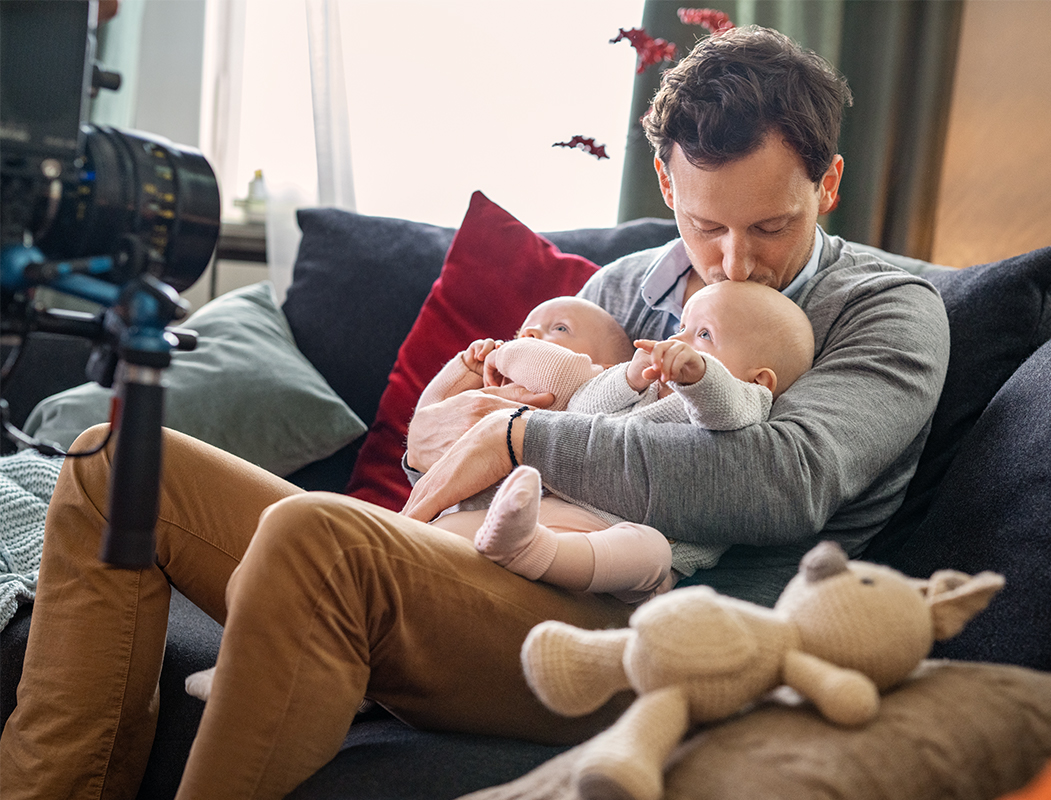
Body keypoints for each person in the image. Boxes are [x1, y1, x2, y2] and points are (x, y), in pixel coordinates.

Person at [0, 25, 949, 800]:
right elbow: (473, 450)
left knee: (320, 534)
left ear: (825, 186)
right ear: (666, 185)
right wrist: (456, 435)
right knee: (110, 459)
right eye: (706, 226)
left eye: (772, 227)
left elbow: (780, 483)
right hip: (493, 564)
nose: (734, 264)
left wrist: (519, 435)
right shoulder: (620, 288)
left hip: (655, 636)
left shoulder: (888, 311)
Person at [423, 283, 815, 601]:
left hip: (625, 547)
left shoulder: (749, 400)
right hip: (561, 507)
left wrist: (700, 377)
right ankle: (422, 532)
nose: (678, 342)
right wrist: (628, 379)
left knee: (651, 553)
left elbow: (726, 410)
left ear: (759, 379)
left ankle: (535, 552)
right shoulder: (647, 389)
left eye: (704, 335)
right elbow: (582, 409)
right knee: (448, 534)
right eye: (681, 327)